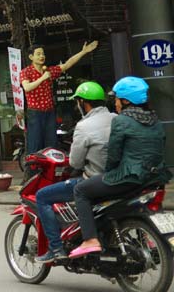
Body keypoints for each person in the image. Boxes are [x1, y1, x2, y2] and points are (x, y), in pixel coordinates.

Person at [69, 76, 168, 258]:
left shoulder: (121, 121)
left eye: (116, 99)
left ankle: (90, 239)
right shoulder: (155, 120)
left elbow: (113, 156)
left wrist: (107, 174)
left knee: (81, 190)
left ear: (126, 100)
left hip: (128, 177)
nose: (114, 103)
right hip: (155, 177)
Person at [33, 81, 114, 263]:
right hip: (118, 178)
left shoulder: (84, 126)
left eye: (78, 103)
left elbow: (75, 162)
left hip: (94, 180)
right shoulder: (117, 119)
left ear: (84, 103)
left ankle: (55, 249)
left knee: (42, 196)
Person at [20, 41, 98, 155]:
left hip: (50, 112)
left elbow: (66, 65)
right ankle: (34, 171)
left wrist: (83, 52)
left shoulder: (49, 71)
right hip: (35, 114)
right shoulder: (26, 72)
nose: (42, 56)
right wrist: (42, 78)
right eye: (38, 54)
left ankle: (51, 170)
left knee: (51, 144)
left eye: (43, 54)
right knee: (35, 145)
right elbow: (27, 87)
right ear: (31, 57)